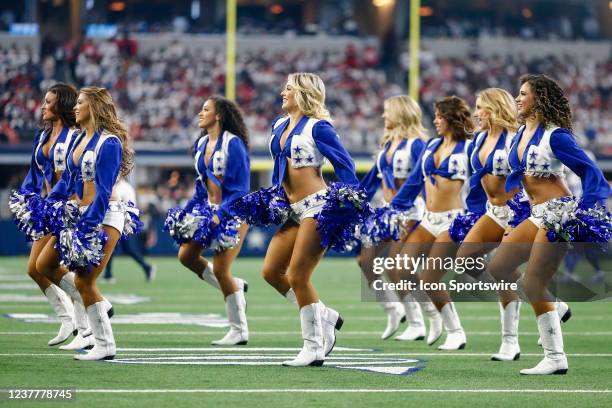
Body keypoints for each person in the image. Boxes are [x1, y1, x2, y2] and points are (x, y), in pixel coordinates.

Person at [232, 73, 369, 366]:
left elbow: (346, 165)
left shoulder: (319, 127)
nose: (283, 92)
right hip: (293, 208)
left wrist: (348, 202)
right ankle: (323, 315)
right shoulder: (279, 124)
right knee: (271, 271)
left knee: (298, 275)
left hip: (318, 206)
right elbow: (280, 166)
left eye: (289, 88)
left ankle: (314, 346)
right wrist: (275, 197)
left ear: (303, 93)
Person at [488, 74, 610, 375]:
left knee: (532, 282)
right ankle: (557, 306)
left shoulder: (556, 136)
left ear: (539, 99)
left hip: (559, 212)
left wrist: (584, 209)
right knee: (499, 266)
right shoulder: (520, 133)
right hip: (535, 212)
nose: (517, 98)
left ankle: (556, 357)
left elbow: (589, 170)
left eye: (523, 94)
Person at [35, 86, 142, 361]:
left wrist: (89, 224)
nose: (75, 107)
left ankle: (105, 344)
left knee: (85, 280)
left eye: (80, 103)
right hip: (78, 213)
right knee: (44, 264)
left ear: (94, 107)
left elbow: (104, 191)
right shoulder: (78, 139)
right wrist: (48, 205)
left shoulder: (109, 143)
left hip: (104, 216)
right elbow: (67, 183)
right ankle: (100, 304)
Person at [164, 96, 250, 346]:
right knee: (186, 256)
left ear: (219, 115)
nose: (200, 113)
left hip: (233, 211)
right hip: (208, 210)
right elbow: (201, 189)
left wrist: (220, 214)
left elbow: (241, 189)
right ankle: (235, 287)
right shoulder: (201, 144)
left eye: (206, 109)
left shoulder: (233, 144)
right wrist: (187, 211)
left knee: (221, 269)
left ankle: (239, 330)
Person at [390, 96, 474, 350]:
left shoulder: (469, 147)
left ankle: (456, 331)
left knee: (429, 277)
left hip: (454, 221)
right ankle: (435, 316)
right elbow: (415, 181)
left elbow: (486, 181)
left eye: (439, 116)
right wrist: (393, 209)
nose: (435, 121)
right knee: (402, 268)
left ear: (451, 118)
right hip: (429, 219)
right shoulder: (431, 146)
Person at [448, 88, 523, 360]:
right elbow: (477, 184)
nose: (476, 113)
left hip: (516, 213)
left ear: (493, 109)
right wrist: (474, 214)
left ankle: (509, 342)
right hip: (492, 212)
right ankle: (538, 292)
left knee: (502, 270)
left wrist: (522, 216)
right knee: (465, 259)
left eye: (480, 108)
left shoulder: (515, 139)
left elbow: (527, 179)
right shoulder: (479, 139)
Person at [10, 83, 80, 346]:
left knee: (49, 266)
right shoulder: (43, 136)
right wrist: (28, 199)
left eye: (49, 101)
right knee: (34, 269)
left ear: (61, 105)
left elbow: (73, 176)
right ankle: (68, 318)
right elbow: (34, 174)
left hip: (68, 207)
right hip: (47, 209)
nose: (42, 105)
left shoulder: (75, 136)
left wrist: (55, 202)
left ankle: (90, 313)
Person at [357, 95, 428, 340]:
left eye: (387, 112)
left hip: (408, 212)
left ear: (400, 114)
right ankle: (393, 309)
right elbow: (372, 182)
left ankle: (418, 321)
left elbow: (422, 181)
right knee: (366, 261)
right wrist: (352, 200)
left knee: (396, 265)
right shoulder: (388, 145)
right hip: (386, 212)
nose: (383, 116)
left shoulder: (417, 144)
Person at [103, 177, 156, 283]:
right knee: (116, 247)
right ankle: (108, 275)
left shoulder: (123, 187)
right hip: (121, 219)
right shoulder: (122, 186)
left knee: (116, 247)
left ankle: (147, 267)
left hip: (123, 221)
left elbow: (115, 202)